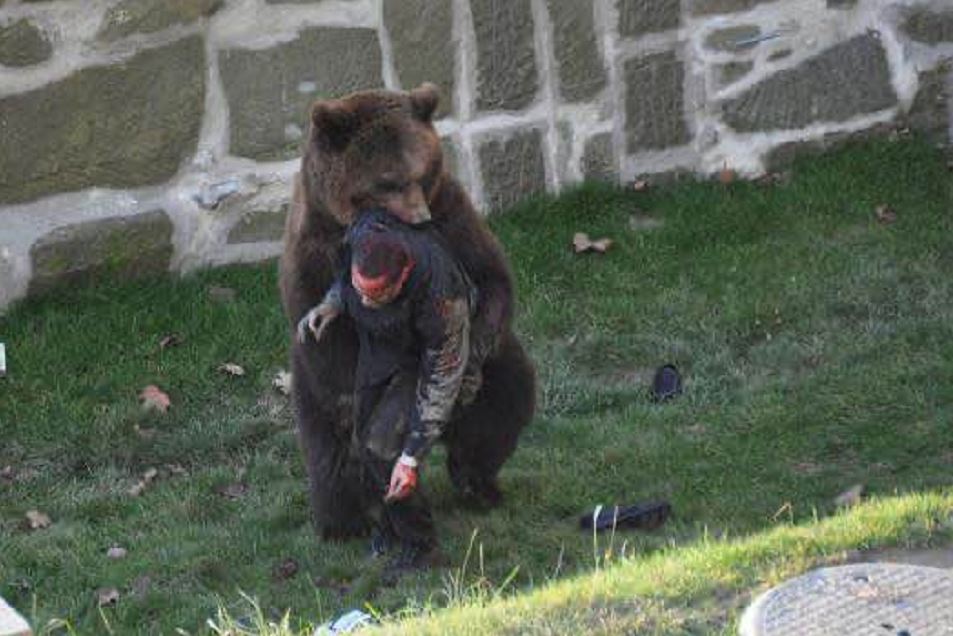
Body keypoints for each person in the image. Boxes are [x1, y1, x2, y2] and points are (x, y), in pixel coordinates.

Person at [297, 208, 476, 566]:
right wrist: (333, 304)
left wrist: (412, 456)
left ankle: (420, 546)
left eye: (375, 295)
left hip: (426, 361)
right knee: (364, 438)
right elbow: (347, 282)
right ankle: (392, 525)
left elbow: (443, 380)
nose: (363, 302)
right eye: (360, 291)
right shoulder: (365, 234)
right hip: (382, 345)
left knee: (385, 449)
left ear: (404, 276)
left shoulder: (443, 298)